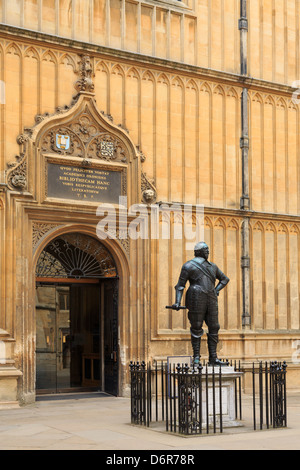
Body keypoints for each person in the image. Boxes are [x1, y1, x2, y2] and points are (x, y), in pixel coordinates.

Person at [172, 242, 229, 365]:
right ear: (199, 252)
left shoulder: (213, 267)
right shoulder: (188, 266)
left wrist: (216, 290)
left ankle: (213, 357)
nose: (207, 251)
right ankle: (196, 357)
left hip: (211, 298)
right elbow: (180, 285)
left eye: (208, 249)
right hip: (196, 297)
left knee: (214, 326)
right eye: (205, 249)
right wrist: (177, 301)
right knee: (196, 326)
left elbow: (225, 279)